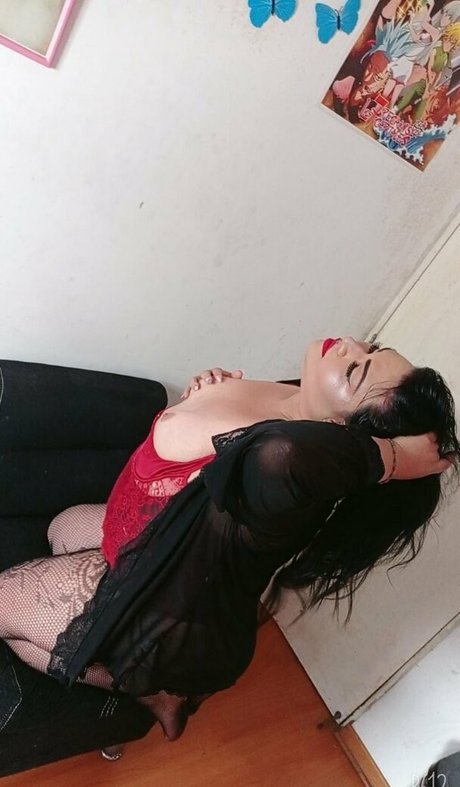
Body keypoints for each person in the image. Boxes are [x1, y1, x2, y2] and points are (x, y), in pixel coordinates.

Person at [0, 336, 457, 742]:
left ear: (341, 435)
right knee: (61, 528)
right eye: (371, 347)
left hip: (176, 619)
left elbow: (285, 453)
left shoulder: (278, 473)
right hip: (154, 544)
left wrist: (397, 459)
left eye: (355, 370)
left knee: (5, 611)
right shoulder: (300, 398)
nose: (348, 345)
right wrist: (206, 390)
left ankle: (158, 692)